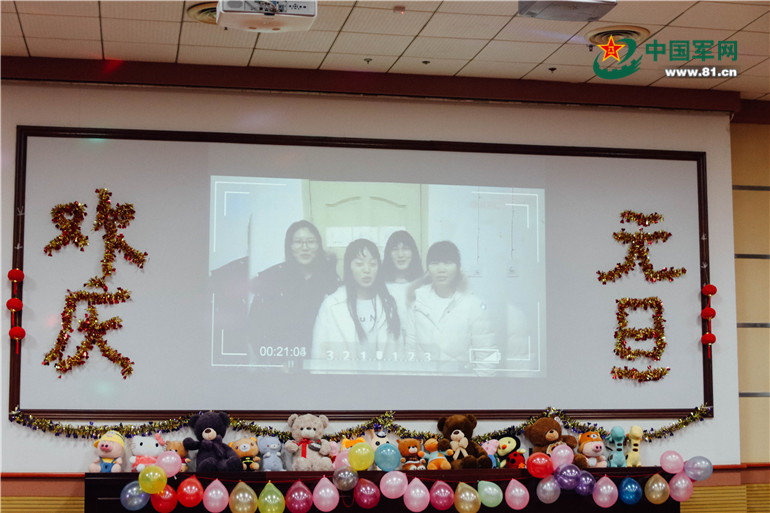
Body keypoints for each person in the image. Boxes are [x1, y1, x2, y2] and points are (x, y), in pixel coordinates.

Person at [248, 220, 340, 360]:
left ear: (319, 246)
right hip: (281, 364)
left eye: (310, 242)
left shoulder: (331, 280)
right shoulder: (272, 279)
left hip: (320, 362)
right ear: (289, 246)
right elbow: (256, 329)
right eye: (298, 242)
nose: (305, 247)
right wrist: (278, 363)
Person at [406, 241, 498, 374]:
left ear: (458, 267)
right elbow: (410, 349)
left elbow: (487, 359)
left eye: (448, 262)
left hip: (460, 384)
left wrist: (474, 386)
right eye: (435, 263)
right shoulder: (418, 302)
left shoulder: (473, 305)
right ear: (428, 268)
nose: (441, 269)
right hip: (423, 383)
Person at [311, 238, 400, 363]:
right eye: (359, 264)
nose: (367, 270)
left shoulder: (388, 304)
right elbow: (318, 358)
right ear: (349, 267)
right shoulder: (331, 305)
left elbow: (398, 356)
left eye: (373, 264)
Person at [381, 230, 423, 340]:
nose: (400, 255)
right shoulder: (380, 285)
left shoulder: (423, 285)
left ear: (413, 253)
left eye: (405, 249)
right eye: (395, 249)